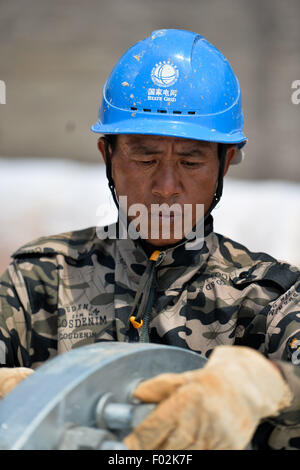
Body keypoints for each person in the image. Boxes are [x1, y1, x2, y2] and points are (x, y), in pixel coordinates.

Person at [0, 29, 299, 450]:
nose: (165, 187)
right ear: (107, 155)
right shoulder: (42, 279)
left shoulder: (266, 297)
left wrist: (270, 384)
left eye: (191, 161)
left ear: (225, 162)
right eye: (144, 158)